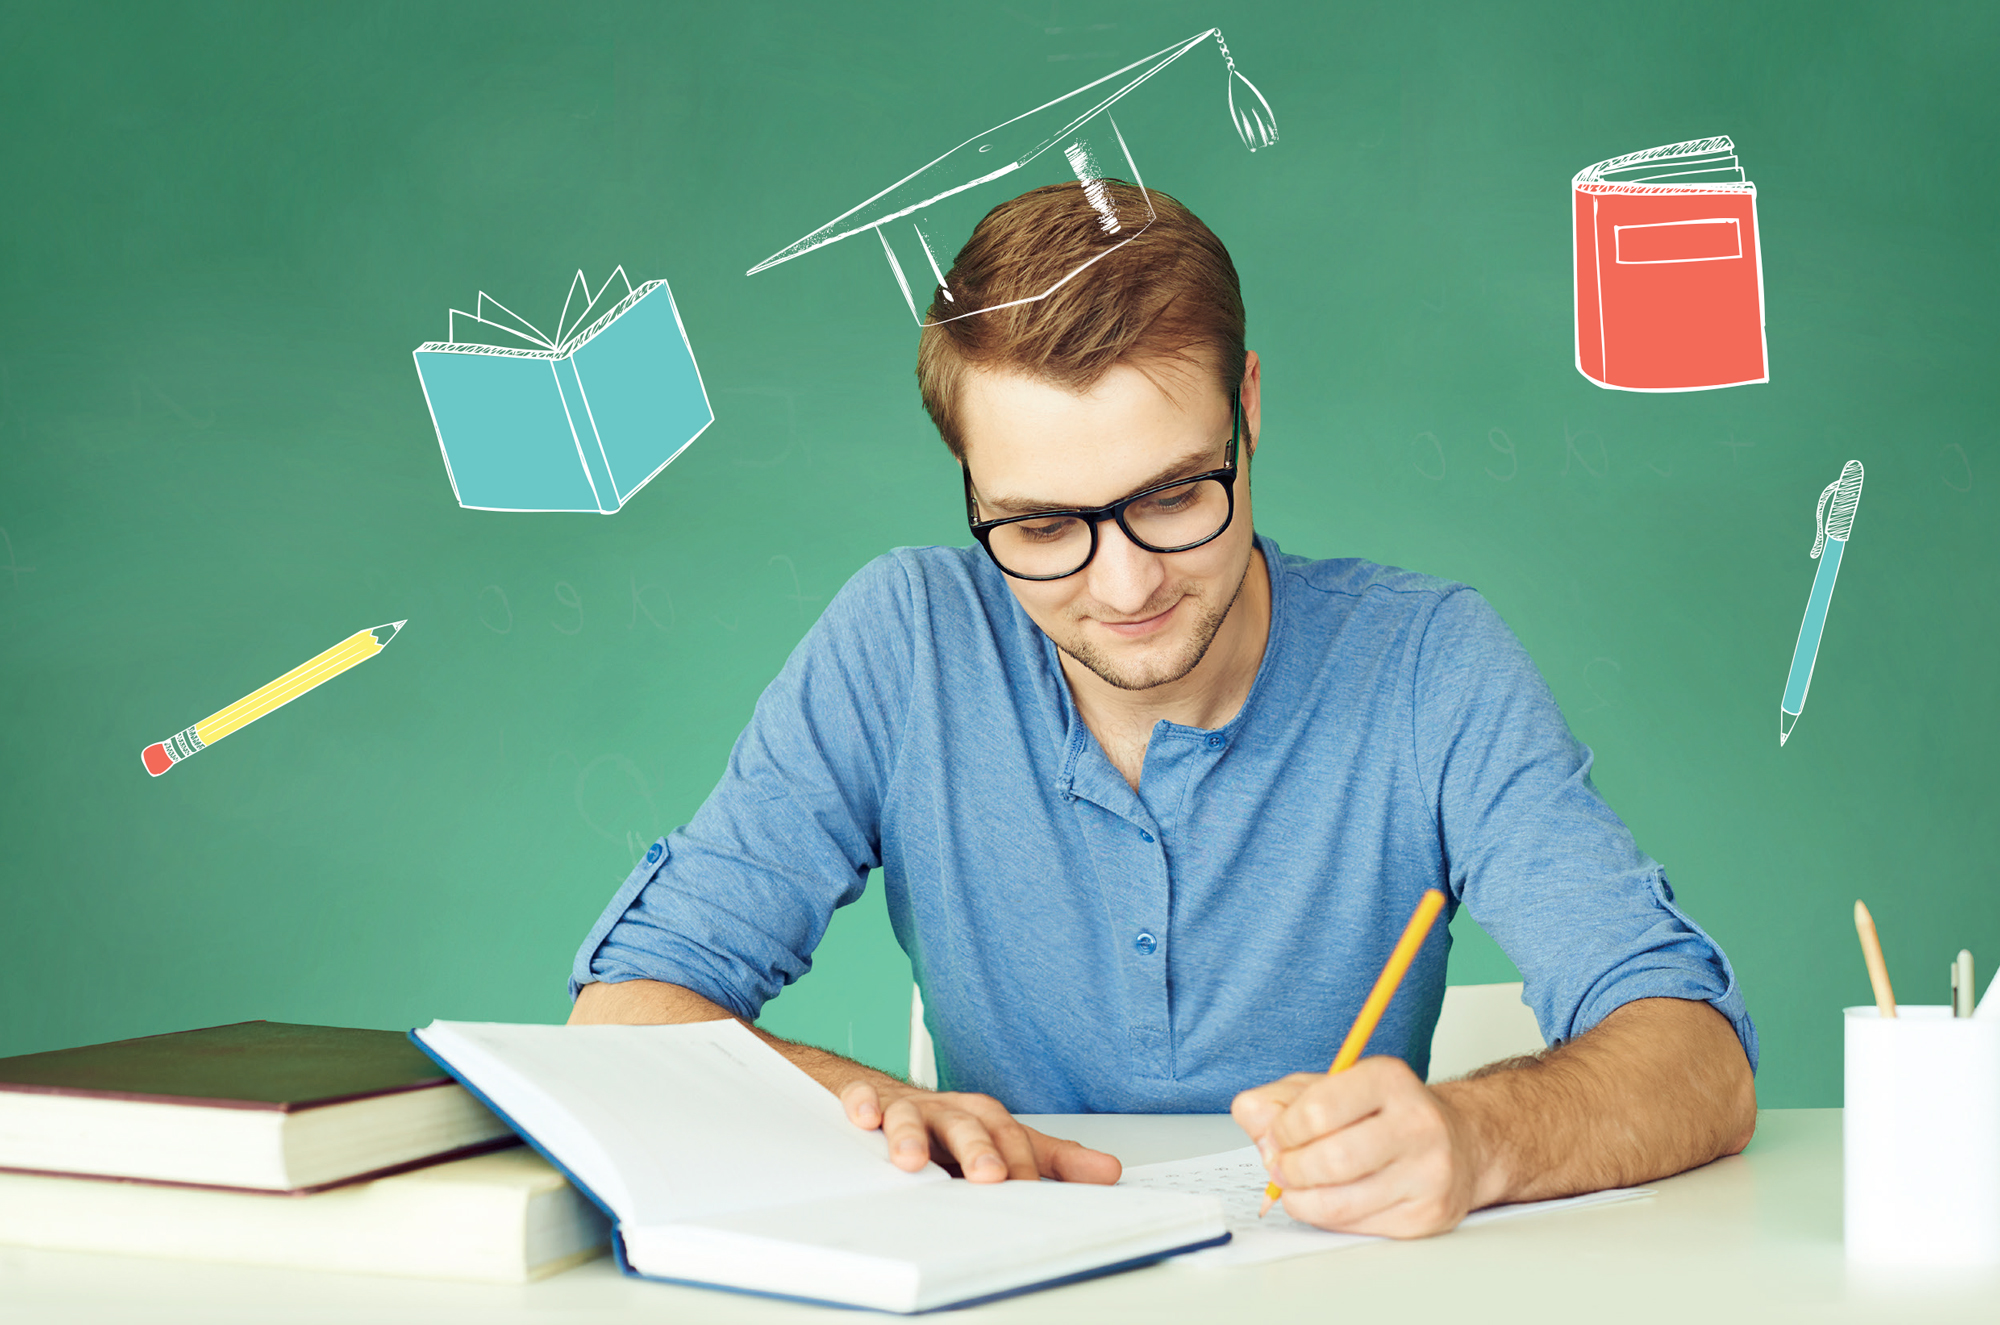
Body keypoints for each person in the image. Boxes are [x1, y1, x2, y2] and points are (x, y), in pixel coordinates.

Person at [569, 181, 1757, 1237]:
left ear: (1246, 406)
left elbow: (1695, 1058)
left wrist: (1474, 1136)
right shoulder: (904, 639)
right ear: (969, 486)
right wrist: (872, 1104)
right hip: (1009, 1270)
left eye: (1177, 493)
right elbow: (622, 1011)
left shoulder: (1425, 662)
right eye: (1040, 528)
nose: (1125, 585)